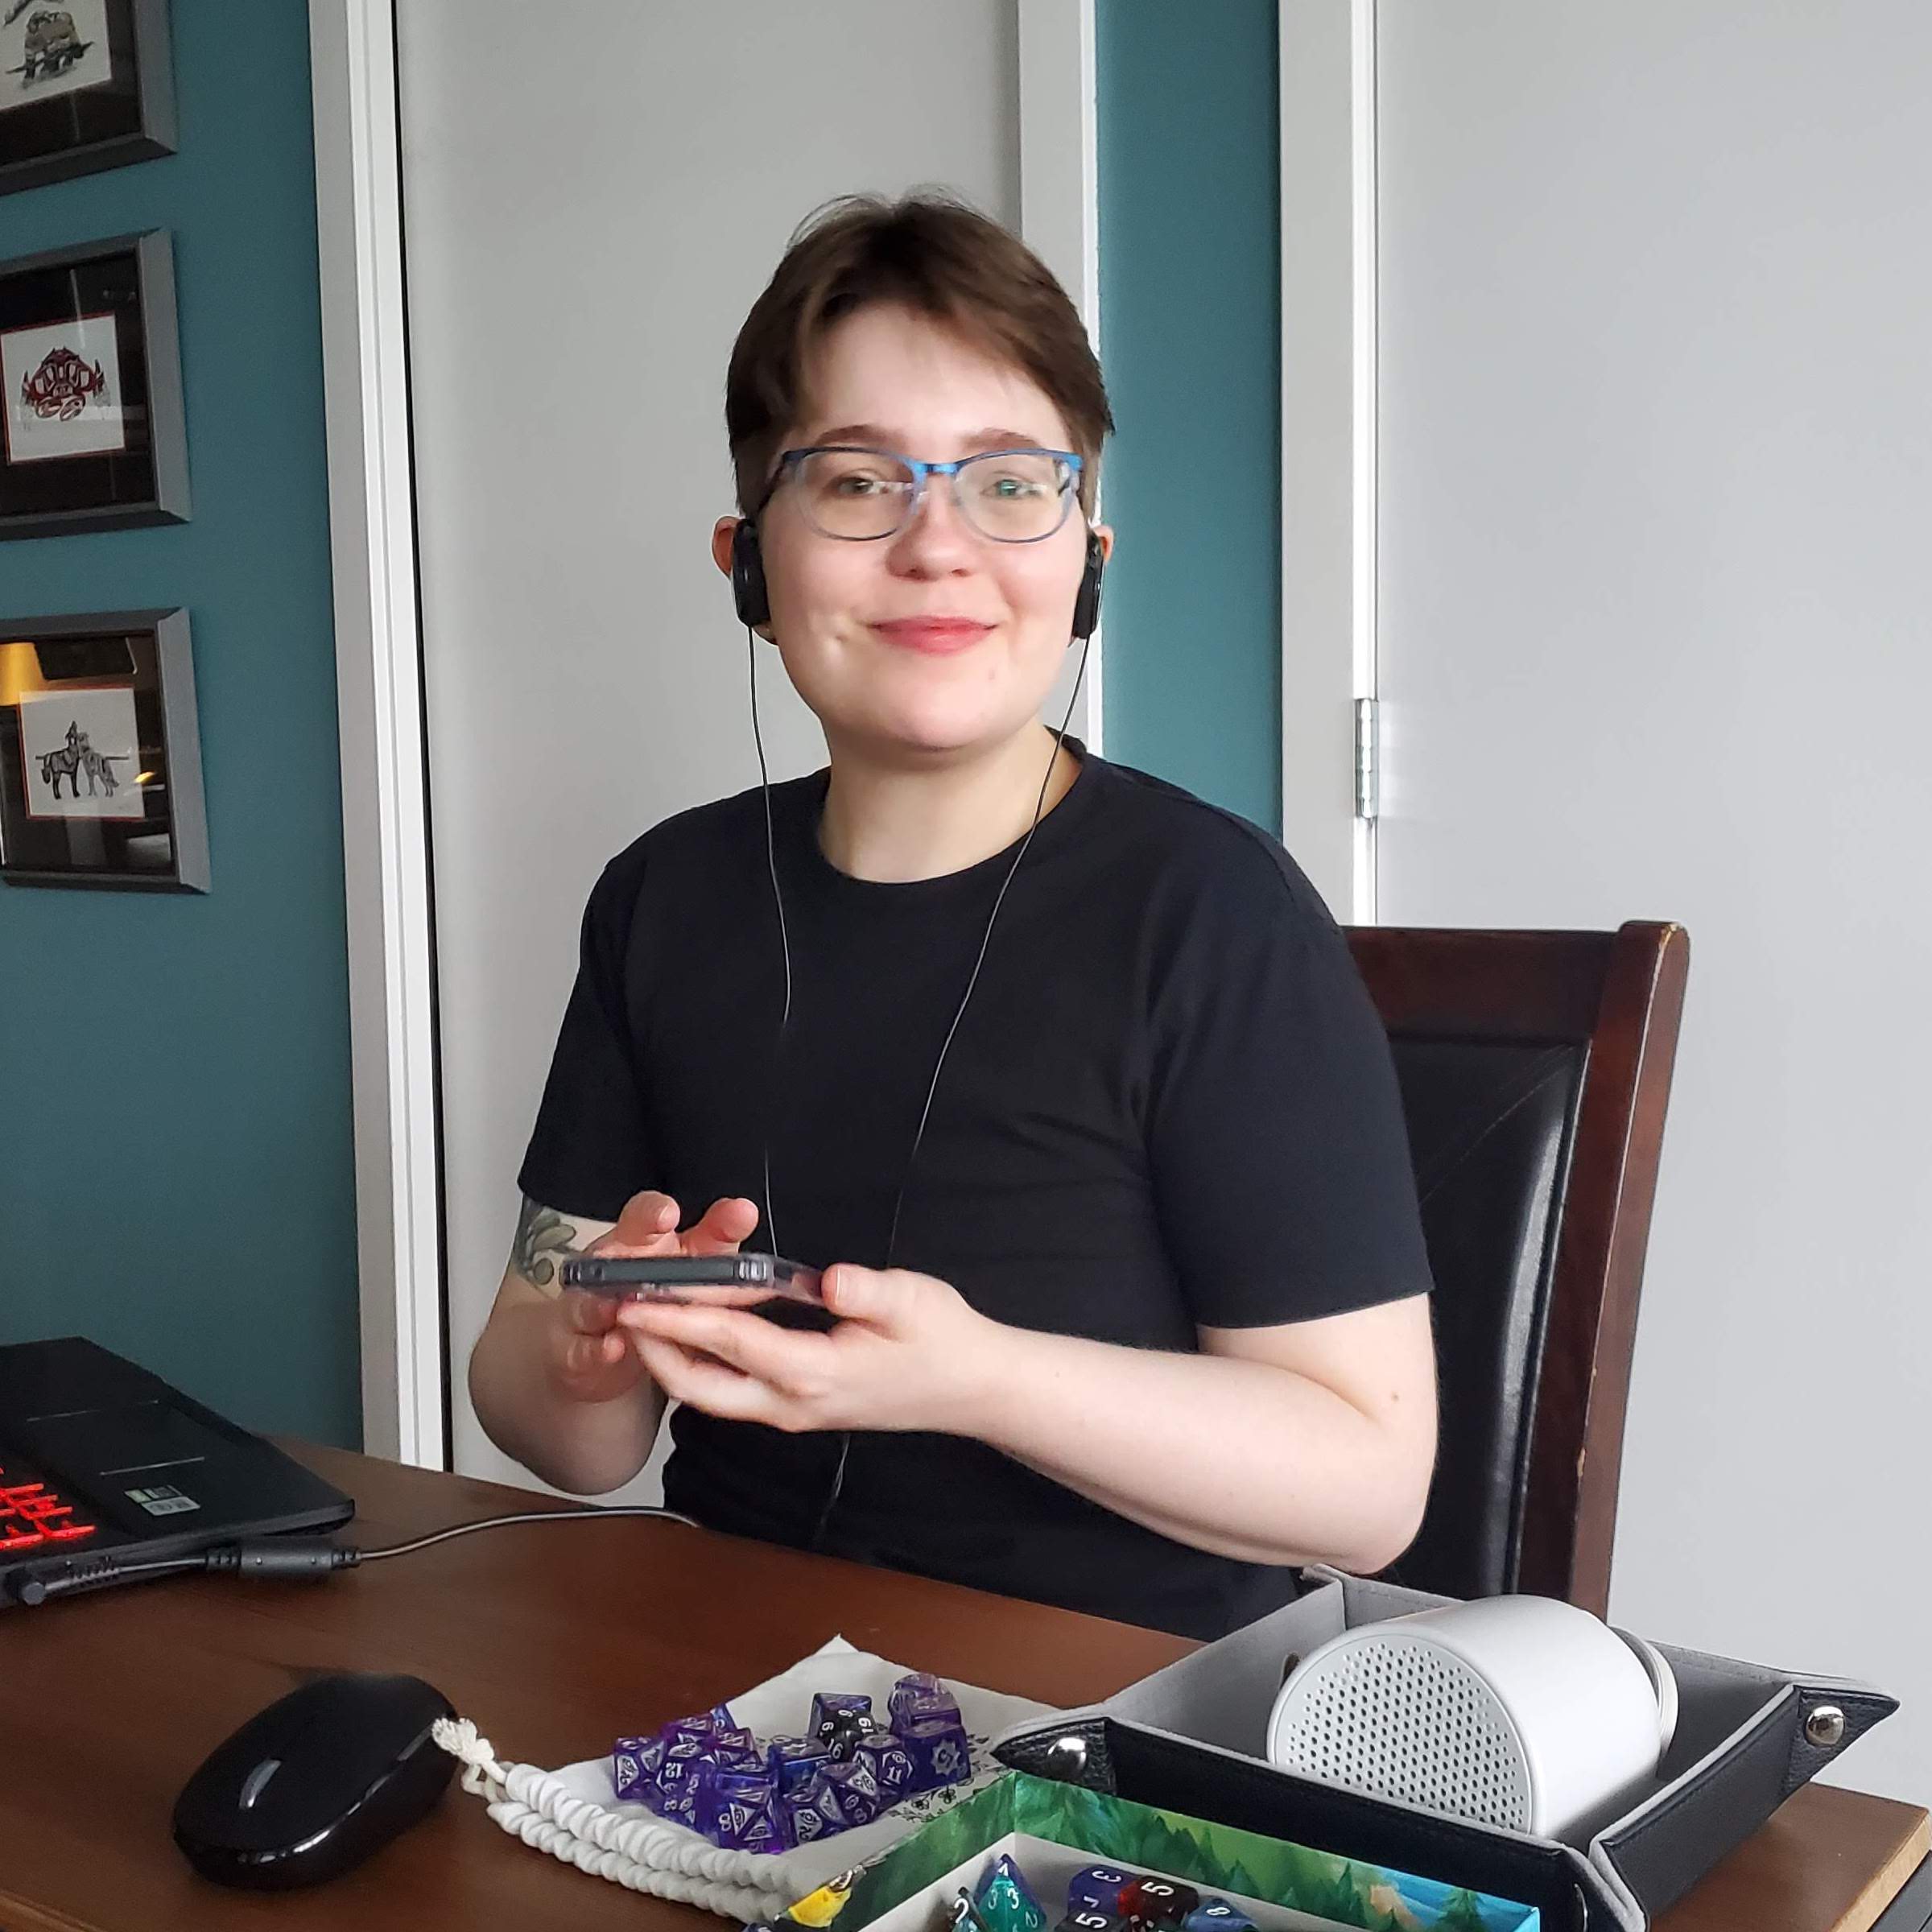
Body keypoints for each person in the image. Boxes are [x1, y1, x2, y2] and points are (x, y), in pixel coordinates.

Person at [469, 192, 1437, 1640]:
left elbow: (1369, 1485)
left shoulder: (1216, 916)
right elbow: (552, 1423)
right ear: (748, 560)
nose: (937, 546)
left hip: (1114, 1737)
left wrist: (971, 1377)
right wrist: (592, 1352)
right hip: (719, 1692)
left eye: (1008, 484)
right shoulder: (664, 898)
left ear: (1087, 557)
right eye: (859, 483)